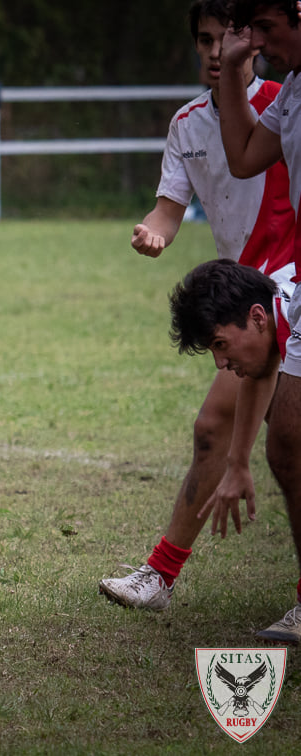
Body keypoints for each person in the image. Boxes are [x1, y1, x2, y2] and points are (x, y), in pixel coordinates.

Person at [99, 0, 296, 612]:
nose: (218, 52)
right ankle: (160, 576)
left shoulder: (285, 97)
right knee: (223, 432)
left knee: (286, 440)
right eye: (206, 40)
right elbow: (168, 206)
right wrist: (154, 232)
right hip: (247, 299)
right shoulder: (187, 123)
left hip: (281, 289)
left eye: (231, 36)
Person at [214, 0, 301, 644]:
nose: (258, 43)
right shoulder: (291, 87)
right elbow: (244, 155)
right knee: (289, 438)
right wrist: (233, 76)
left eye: (266, 29)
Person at [166, 258, 300, 645]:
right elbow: (264, 366)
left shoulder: (291, 312)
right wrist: (238, 462)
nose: (220, 363)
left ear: (257, 318)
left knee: (289, 446)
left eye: (221, 346)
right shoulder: (275, 303)